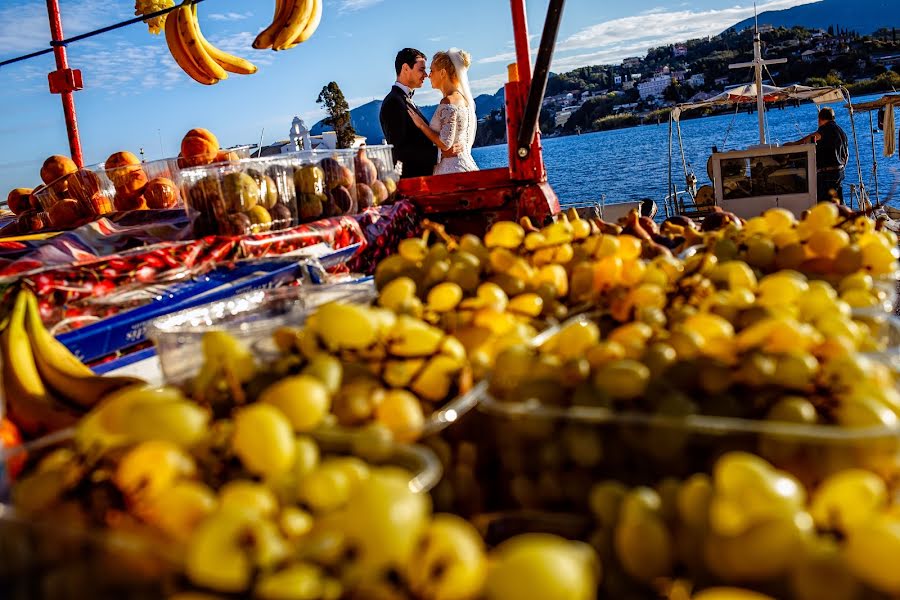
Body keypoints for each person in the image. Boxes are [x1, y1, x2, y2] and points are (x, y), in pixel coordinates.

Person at [406, 49, 479, 175]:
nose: (429, 75)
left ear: (443, 73)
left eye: (432, 70)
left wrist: (421, 125)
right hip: (465, 165)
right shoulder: (463, 100)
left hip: (451, 171)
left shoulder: (448, 101)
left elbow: (445, 144)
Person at [379, 48, 443, 178]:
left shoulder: (403, 99)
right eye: (421, 69)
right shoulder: (393, 102)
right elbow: (399, 151)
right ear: (405, 68)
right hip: (414, 182)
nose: (426, 74)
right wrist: (439, 154)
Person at [787, 106, 848, 203]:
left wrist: (794, 144)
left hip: (827, 175)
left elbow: (811, 138)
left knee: (824, 203)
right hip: (839, 172)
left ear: (820, 119)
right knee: (838, 202)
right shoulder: (841, 131)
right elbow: (846, 155)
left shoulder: (826, 128)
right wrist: (842, 167)